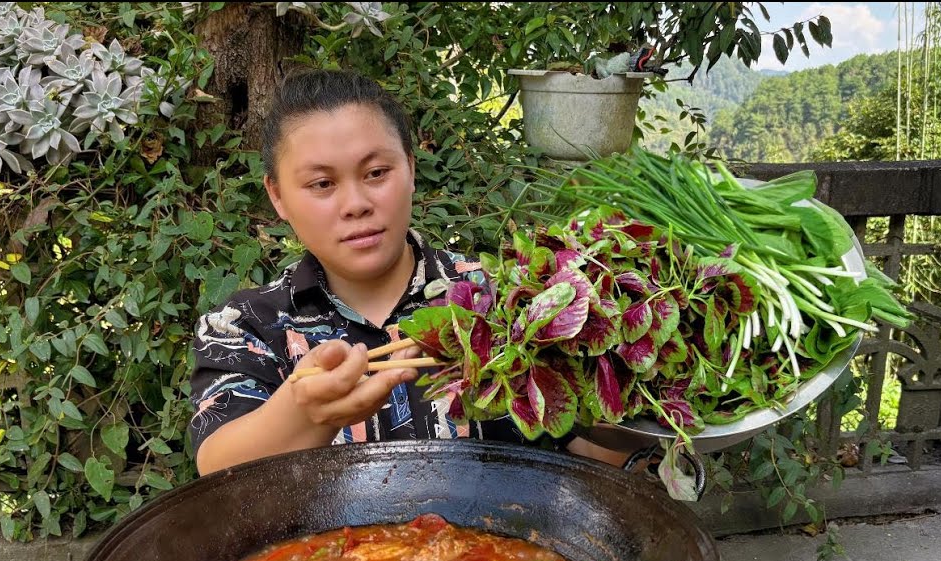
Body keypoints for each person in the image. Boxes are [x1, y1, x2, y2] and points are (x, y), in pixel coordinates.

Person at [187, 68, 627, 475]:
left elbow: (600, 457)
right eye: (322, 184)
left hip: (502, 553)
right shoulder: (248, 326)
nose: (356, 203)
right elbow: (217, 467)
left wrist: (633, 382)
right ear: (278, 196)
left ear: (411, 170)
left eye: (376, 172)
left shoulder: (502, 300)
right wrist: (305, 413)